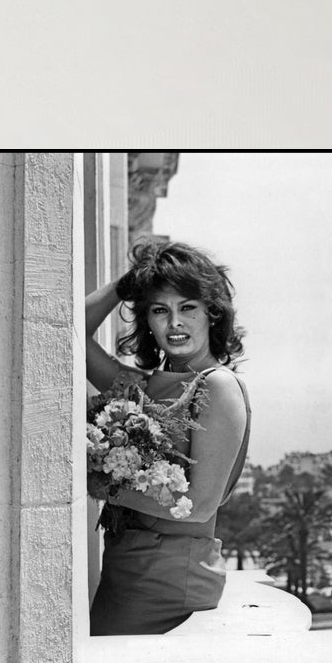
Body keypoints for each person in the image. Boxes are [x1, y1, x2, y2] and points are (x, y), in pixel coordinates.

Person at [84, 238, 251, 635]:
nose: (174, 324)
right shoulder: (143, 384)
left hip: (170, 582)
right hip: (126, 567)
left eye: (187, 308)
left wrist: (96, 483)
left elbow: (196, 505)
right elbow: (70, 334)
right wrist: (129, 284)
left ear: (212, 313)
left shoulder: (218, 386)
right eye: (160, 311)